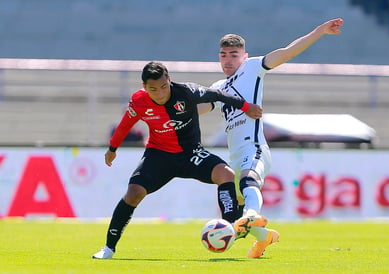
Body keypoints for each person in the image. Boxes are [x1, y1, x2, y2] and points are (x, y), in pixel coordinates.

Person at [203, 18, 344, 258]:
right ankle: (265, 236)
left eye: (233, 55)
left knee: (249, 182)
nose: (228, 60)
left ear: (244, 56)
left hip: (254, 147)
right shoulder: (218, 86)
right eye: (224, 55)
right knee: (237, 215)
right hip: (234, 155)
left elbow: (287, 52)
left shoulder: (253, 67)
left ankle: (252, 214)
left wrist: (319, 31)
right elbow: (200, 109)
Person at [92, 61, 262, 259]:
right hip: (159, 156)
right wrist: (112, 148)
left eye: (164, 87)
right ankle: (109, 248)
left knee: (226, 174)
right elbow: (125, 124)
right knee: (133, 193)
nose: (160, 93)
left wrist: (246, 107)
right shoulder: (139, 101)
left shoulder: (188, 92)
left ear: (169, 80)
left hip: (191, 153)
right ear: (144, 87)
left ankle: (229, 228)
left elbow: (217, 95)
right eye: (153, 89)